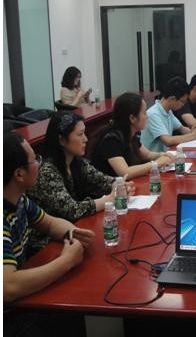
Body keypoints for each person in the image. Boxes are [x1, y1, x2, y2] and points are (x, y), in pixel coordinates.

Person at [3, 132, 95, 303]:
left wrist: (73, 233)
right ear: (19, 174)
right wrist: (67, 261)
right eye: (35, 160)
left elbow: (49, 223)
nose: (40, 164)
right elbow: (8, 288)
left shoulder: (20, 200)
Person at [27, 112, 133, 224]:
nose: (85, 139)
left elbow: (102, 180)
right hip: (51, 233)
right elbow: (72, 210)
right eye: (80, 134)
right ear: (62, 140)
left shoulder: (77, 162)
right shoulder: (47, 172)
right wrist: (109, 199)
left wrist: (120, 186)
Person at [91, 92, 174, 179]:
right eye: (144, 113)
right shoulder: (111, 140)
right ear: (132, 118)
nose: (147, 116)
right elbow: (125, 172)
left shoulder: (131, 134)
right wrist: (156, 164)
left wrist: (163, 155)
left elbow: (147, 154)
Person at [140, 76, 196, 152]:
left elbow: (182, 129)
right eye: (182, 101)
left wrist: (195, 130)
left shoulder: (168, 111)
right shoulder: (153, 114)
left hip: (165, 155)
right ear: (172, 99)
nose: (183, 105)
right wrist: (193, 135)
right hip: (154, 157)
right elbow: (168, 140)